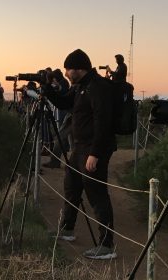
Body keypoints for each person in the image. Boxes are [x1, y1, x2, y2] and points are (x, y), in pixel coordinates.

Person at [43, 49, 117, 260]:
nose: (65, 73)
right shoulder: (80, 87)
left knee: (97, 194)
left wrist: (95, 153)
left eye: (68, 70)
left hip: (94, 148)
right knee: (72, 187)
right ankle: (67, 229)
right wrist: (47, 88)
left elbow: (103, 123)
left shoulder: (98, 87)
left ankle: (106, 245)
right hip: (79, 147)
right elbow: (64, 103)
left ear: (78, 69)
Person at [43, 69, 71, 168]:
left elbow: (63, 94)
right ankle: (56, 162)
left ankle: (57, 162)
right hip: (69, 114)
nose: (66, 74)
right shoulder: (69, 83)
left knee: (63, 137)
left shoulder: (64, 83)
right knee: (63, 137)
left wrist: (57, 87)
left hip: (67, 113)